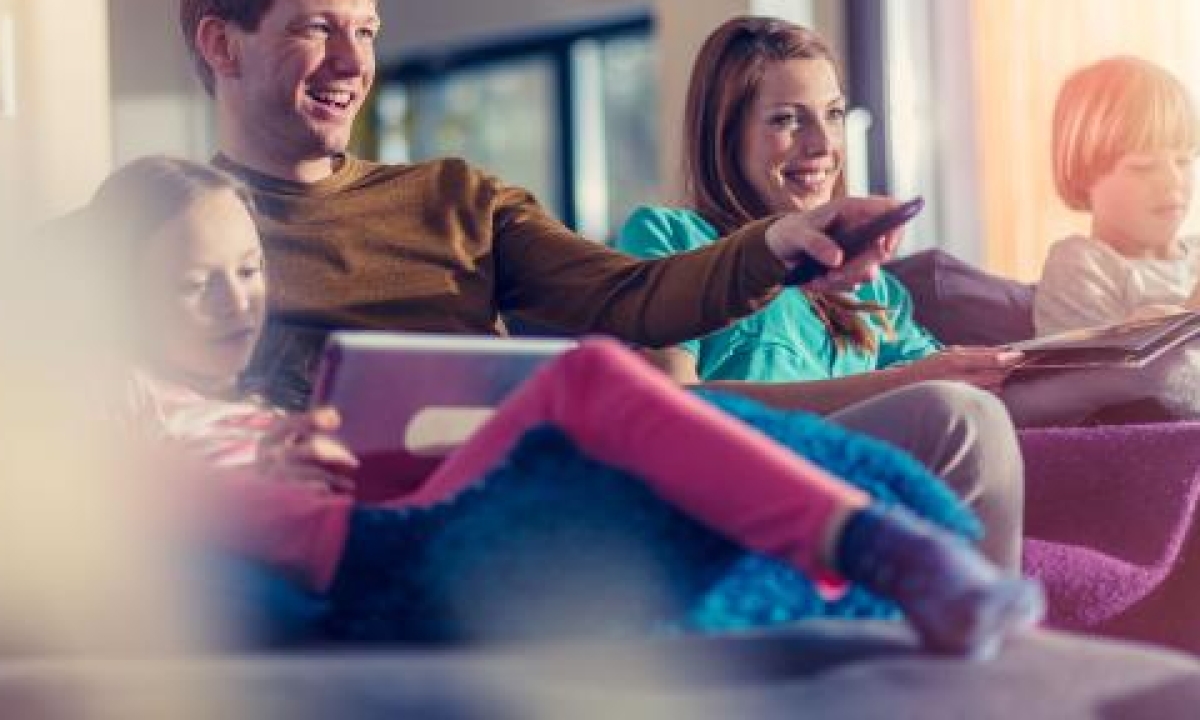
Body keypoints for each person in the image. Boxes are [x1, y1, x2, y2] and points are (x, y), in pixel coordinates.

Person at [177, 0, 1026, 571]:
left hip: (529, 485)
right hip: (349, 518)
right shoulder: (170, 232)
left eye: (364, 31)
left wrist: (776, 245)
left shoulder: (453, 199)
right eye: (315, 29)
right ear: (224, 45)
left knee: (956, 420)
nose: (351, 62)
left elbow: (634, 299)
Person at [87, 154, 1043, 657]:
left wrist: (319, 446)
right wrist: (259, 475)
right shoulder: (116, 396)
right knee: (590, 381)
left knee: (622, 393)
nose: (236, 303)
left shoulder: (263, 384)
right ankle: (891, 555)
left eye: (249, 272)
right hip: (367, 555)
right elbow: (115, 502)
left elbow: (628, 294)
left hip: (411, 506)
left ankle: (901, 562)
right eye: (192, 285)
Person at [618, 16, 1026, 566]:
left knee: (971, 407)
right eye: (787, 120)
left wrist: (1118, 371)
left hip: (856, 484)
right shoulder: (670, 238)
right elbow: (675, 407)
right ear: (726, 134)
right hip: (752, 474)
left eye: (832, 115)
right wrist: (903, 382)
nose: (822, 146)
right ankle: (989, 626)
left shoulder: (868, 282)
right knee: (957, 415)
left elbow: (980, 387)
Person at [1035, 55, 1200, 334]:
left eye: (1184, 161)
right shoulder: (1082, 264)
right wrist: (1187, 316)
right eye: (1143, 167)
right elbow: (1093, 371)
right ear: (1084, 173)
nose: (1173, 180)